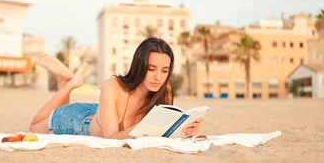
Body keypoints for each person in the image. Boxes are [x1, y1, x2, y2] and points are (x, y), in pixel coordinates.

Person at [29, 37, 203, 139]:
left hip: (101, 112)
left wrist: (184, 128)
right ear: (139, 66)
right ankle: (69, 83)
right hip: (78, 121)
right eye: (151, 69)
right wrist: (147, 126)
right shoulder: (112, 87)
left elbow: (162, 133)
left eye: (165, 70)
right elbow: (111, 138)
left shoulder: (166, 89)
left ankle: (66, 80)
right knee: (34, 128)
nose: (159, 77)